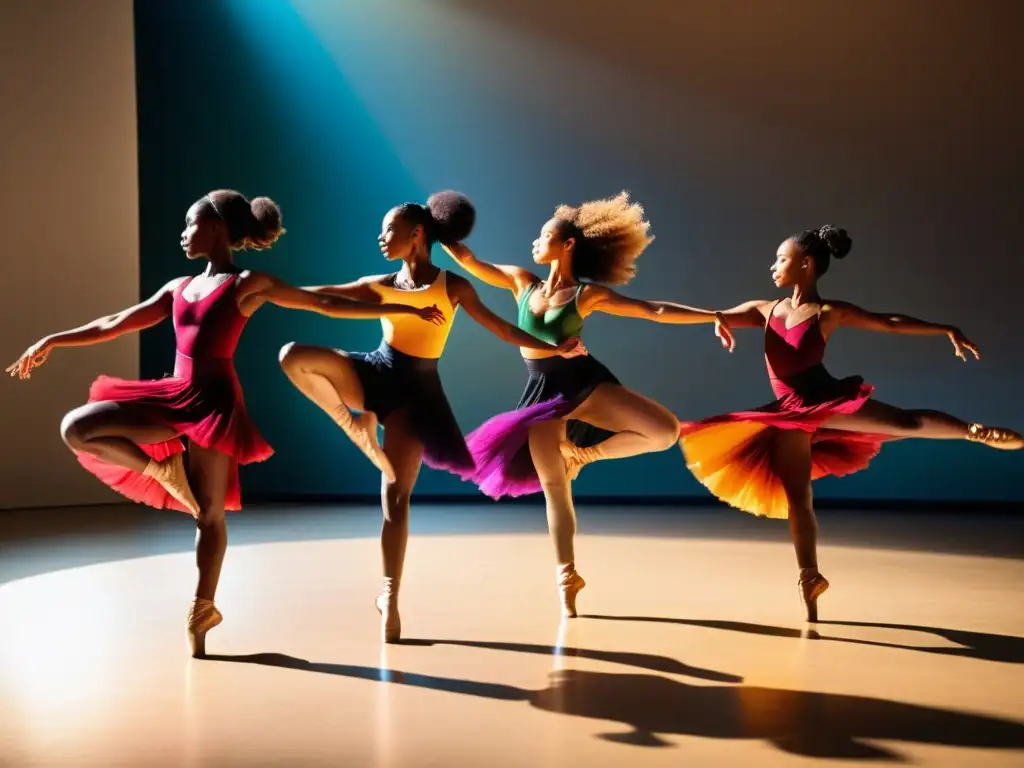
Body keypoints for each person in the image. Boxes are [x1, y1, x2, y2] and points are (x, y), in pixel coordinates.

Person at [7, 189, 442, 656]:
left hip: (213, 404)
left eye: (190, 223)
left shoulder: (247, 284)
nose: (183, 232)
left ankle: (203, 606)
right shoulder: (178, 288)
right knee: (78, 428)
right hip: (172, 395)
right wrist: (53, 339)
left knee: (208, 514)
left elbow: (326, 306)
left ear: (215, 227)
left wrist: (401, 307)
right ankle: (162, 470)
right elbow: (117, 321)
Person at [277, 191, 584, 642]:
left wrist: (554, 347)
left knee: (395, 499)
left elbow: (502, 328)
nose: (381, 237)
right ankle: (353, 422)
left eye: (389, 230)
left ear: (417, 234)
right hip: (375, 372)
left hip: (416, 398)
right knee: (293, 355)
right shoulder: (382, 282)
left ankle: (389, 596)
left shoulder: (453, 286)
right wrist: (265, 291)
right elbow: (321, 297)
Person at [678, 225, 1023, 621]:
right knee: (798, 499)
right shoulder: (765, 309)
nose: (773, 266)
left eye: (781, 259)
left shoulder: (826, 313)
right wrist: (715, 320)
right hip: (789, 414)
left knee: (904, 423)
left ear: (806, 264)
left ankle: (973, 431)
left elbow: (888, 322)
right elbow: (717, 315)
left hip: (824, 399)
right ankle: (809, 576)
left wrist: (945, 330)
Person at [443, 191, 734, 618]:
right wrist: (438, 230)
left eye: (544, 236)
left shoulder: (586, 296)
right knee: (554, 490)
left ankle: (584, 455)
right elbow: (469, 261)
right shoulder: (522, 282)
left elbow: (651, 310)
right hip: (542, 396)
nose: (535, 242)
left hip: (585, 384)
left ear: (569, 244)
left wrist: (712, 315)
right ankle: (567, 574)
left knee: (664, 431)